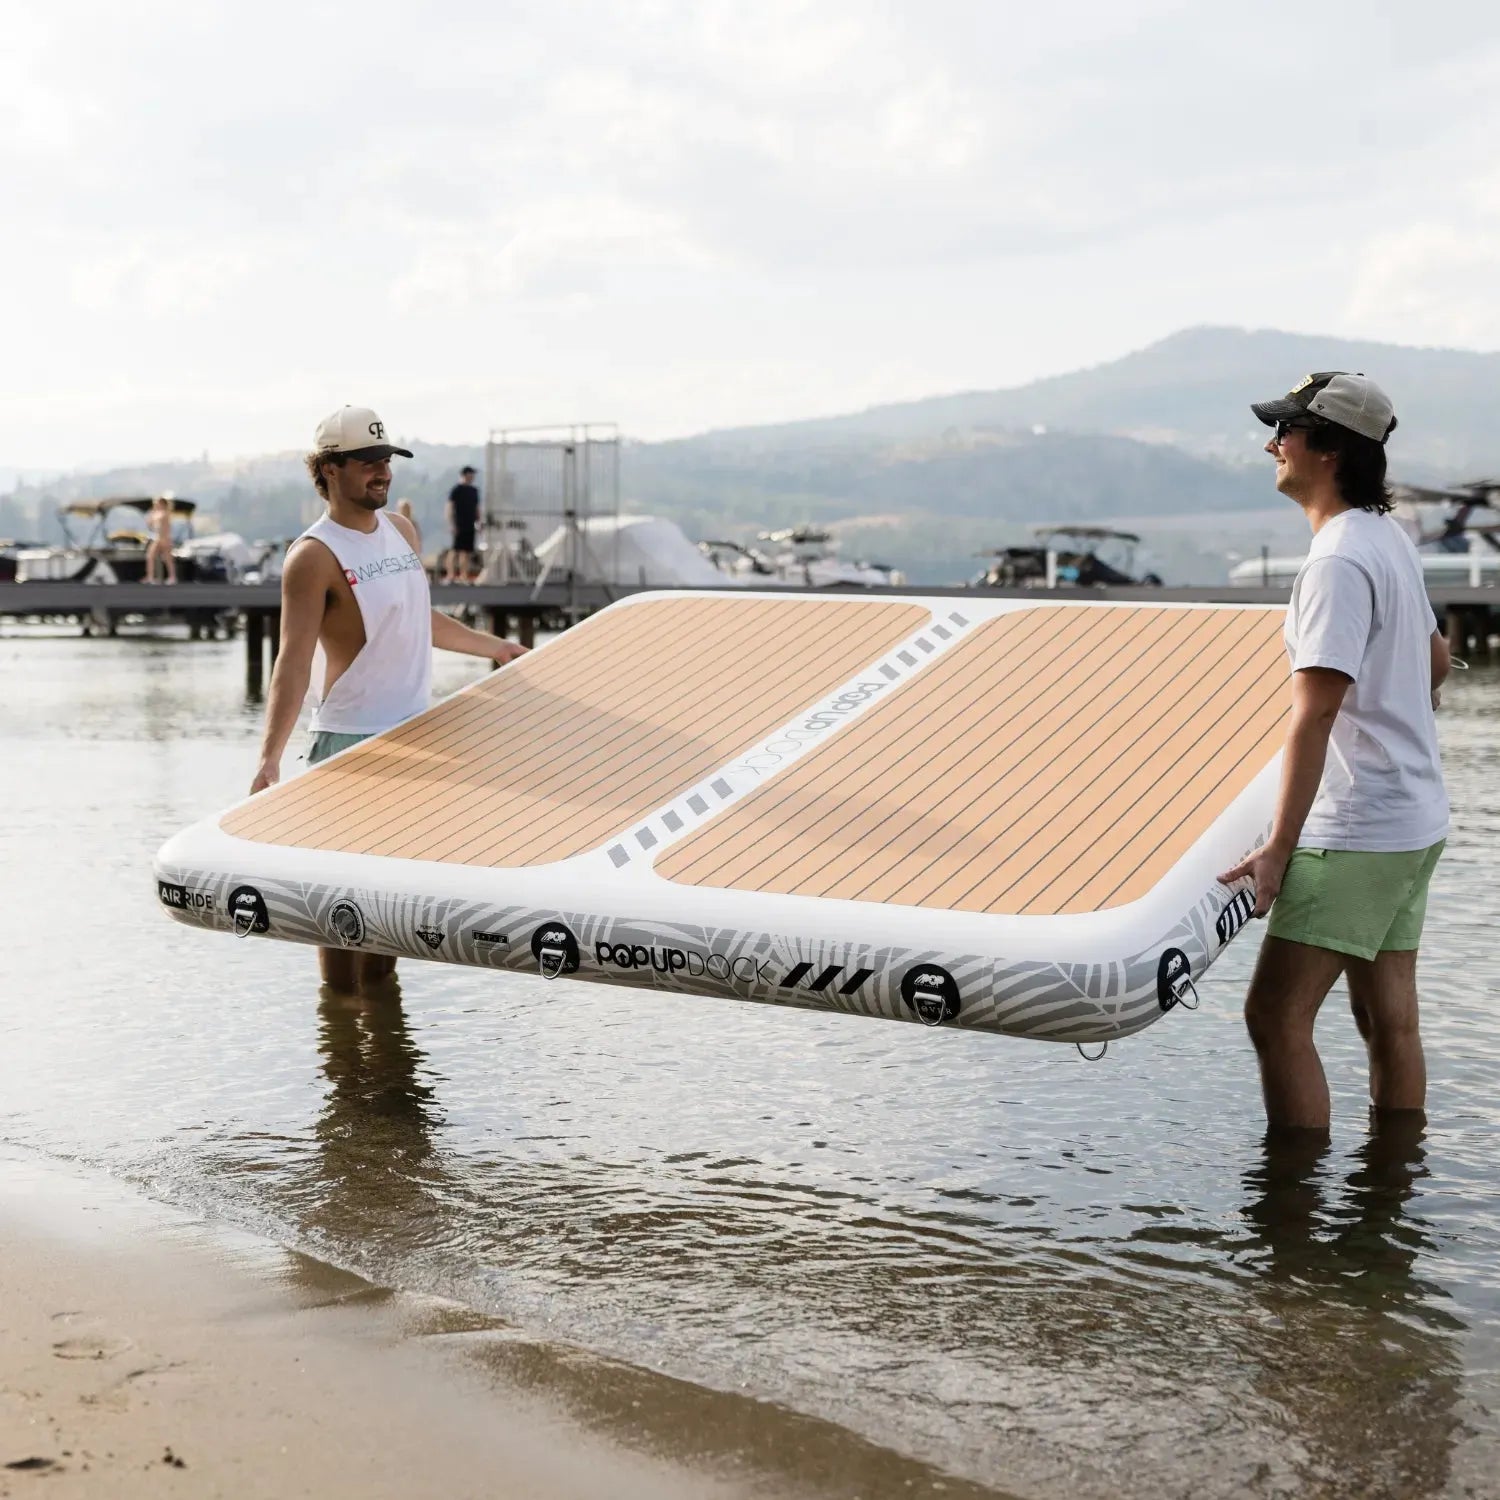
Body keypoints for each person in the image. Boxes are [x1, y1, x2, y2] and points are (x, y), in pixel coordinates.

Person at [1220, 372, 1450, 1133]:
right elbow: (1437, 662)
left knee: (1274, 1017)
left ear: (1328, 450)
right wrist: (1398, 723)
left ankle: (1292, 1220)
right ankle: (1392, 1190)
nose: (1271, 444)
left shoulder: (1336, 563)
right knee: (1391, 1022)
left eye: (1285, 431)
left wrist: (1277, 850)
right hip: (1413, 819)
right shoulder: (1387, 539)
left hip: (1354, 831)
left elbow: (1312, 718)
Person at [249, 406, 528, 992]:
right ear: (328, 469)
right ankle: (341, 1027)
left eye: (387, 459)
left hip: (416, 737)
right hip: (350, 745)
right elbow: (293, 662)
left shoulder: (401, 533)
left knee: (393, 903)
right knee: (341, 901)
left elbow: (417, 617)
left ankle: (378, 1017)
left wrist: (492, 647)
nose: (382, 471)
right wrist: (269, 758)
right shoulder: (313, 557)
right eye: (368, 461)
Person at [444, 466, 480, 583]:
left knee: (467, 552)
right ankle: (450, 574)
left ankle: (464, 575)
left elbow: (477, 508)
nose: (472, 477)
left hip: (470, 524)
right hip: (459, 524)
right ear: (465, 475)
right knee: (455, 550)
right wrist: (451, 524)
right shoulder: (456, 490)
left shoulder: (474, 491)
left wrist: (478, 521)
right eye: (470, 475)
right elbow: (449, 507)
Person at [144, 495, 176, 584]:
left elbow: (159, 522)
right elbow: (150, 525)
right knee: (150, 556)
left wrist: (153, 514)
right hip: (158, 538)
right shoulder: (156, 513)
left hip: (164, 538)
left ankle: (172, 577)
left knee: (168, 559)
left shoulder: (165, 513)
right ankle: (150, 577)